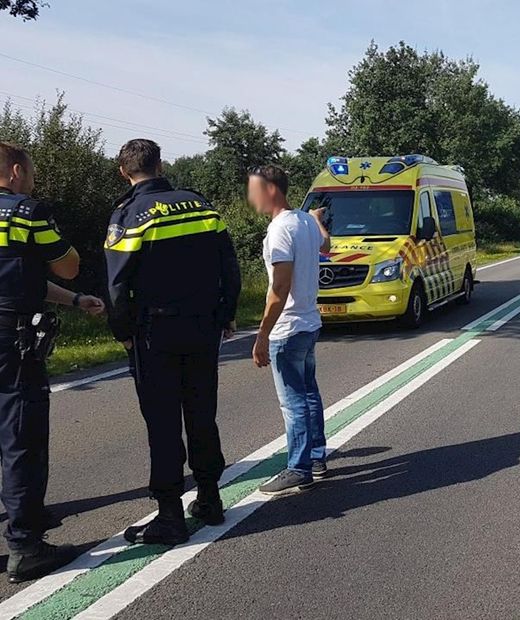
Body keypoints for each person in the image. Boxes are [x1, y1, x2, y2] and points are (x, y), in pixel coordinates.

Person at [104, 139, 241, 545]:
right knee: (202, 413)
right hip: (203, 328)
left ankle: (169, 516)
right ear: (161, 166)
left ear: (124, 172)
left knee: (163, 424)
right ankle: (210, 499)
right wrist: (227, 312)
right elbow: (228, 265)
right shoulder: (200, 205)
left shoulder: (128, 214)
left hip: (156, 334)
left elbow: (115, 285)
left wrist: (123, 333)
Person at [0, 143, 105, 582]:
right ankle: (26, 545)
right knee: (20, 433)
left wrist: (77, 301)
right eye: (33, 173)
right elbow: (65, 266)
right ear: (17, 171)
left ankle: (27, 517)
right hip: (11, 340)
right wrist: (76, 283)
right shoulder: (25, 213)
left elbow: (25, 280)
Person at [247, 165, 330, 496]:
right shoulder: (307, 221)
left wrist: (262, 336)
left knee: (293, 401)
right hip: (310, 322)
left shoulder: (281, 230)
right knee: (309, 393)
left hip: (289, 326)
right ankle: (317, 457)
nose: (250, 198)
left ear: (270, 190)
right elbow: (325, 247)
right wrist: (319, 220)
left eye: (253, 190)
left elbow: (279, 288)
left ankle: (298, 467)